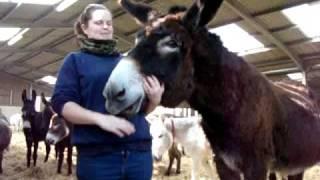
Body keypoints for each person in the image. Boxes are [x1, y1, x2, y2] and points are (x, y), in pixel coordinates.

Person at [51, 4, 164, 180]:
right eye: (99, 22)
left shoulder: (128, 62)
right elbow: (62, 103)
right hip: (98, 158)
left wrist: (154, 100)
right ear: (84, 28)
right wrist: (100, 119)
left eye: (109, 23)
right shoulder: (75, 61)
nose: (105, 27)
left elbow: (138, 111)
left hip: (139, 154)